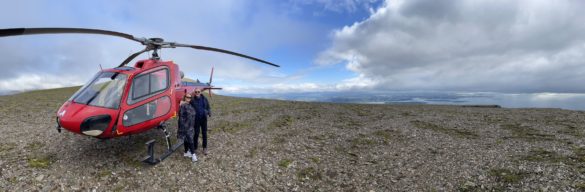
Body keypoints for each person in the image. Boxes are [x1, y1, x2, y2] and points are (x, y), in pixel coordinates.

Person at [190, 88, 211, 155]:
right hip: (196, 120)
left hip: (204, 119)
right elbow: (187, 104)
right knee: (196, 133)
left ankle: (204, 148)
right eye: (196, 92)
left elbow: (208, 107)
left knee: (204, 133)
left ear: (201, 92)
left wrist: (208, 112)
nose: (197, 93)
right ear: (194, 92)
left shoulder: (204, 99)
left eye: (198, 92)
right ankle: (195, 148)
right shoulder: (192, 100)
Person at [178, 94, 197, 162]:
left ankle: (186, 152)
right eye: (187, 97)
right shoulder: (183, 106)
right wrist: (184, 126)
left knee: (186, 139)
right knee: (191, 140)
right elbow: (181, 117)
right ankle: (193, 154)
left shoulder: (190, 105)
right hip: (186, 126)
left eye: (190, 97)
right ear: (185, 97)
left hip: (191, 126)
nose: (189, 98)